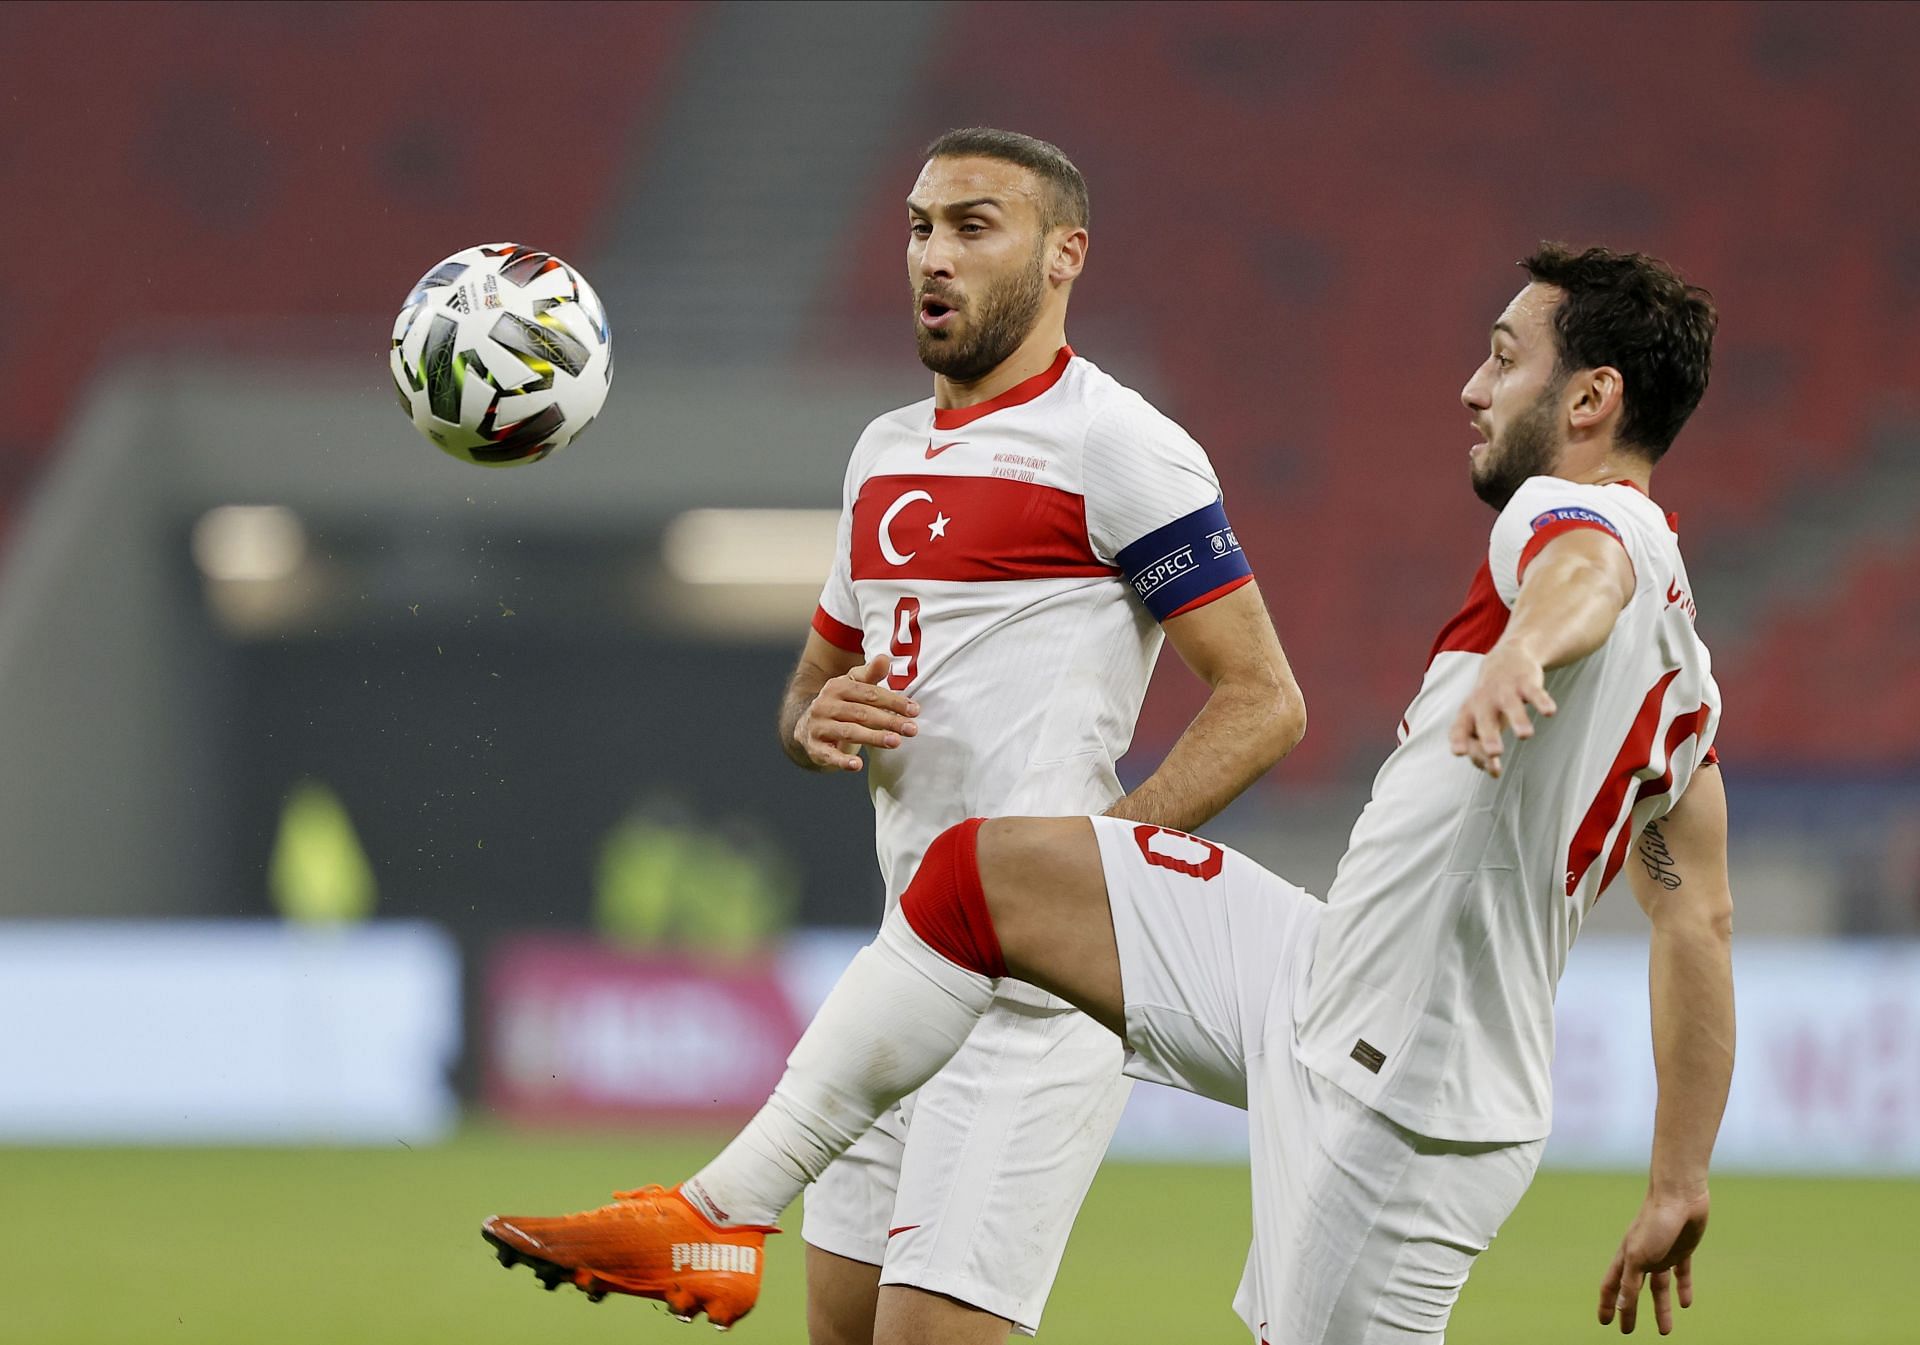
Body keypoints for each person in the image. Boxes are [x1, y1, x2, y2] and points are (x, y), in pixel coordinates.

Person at [484, 244, 1729, 1339]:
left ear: (1589, 398)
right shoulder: (1686, 690)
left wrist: (1527, 644)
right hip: (1320, 976)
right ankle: (714, 1215)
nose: (1472, 386)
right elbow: (1694, 913)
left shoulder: (1573, 516)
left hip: (1406, 1099)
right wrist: (1679, 1180)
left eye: (1502, 359)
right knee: (981, 875)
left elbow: (1586, 570)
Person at [483, 127, 1304, 1344]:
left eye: (975, 225)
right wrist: (813, 718)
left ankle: (709, 1212)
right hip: (906, 977)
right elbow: (812, 687)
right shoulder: (883, 454)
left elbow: (1264, 699)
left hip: (1032, 1007)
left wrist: (1092, 880)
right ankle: (712, 1216)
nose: (934, 253)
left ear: (1064, 253)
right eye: (921, 225)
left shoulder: (1117, 445)